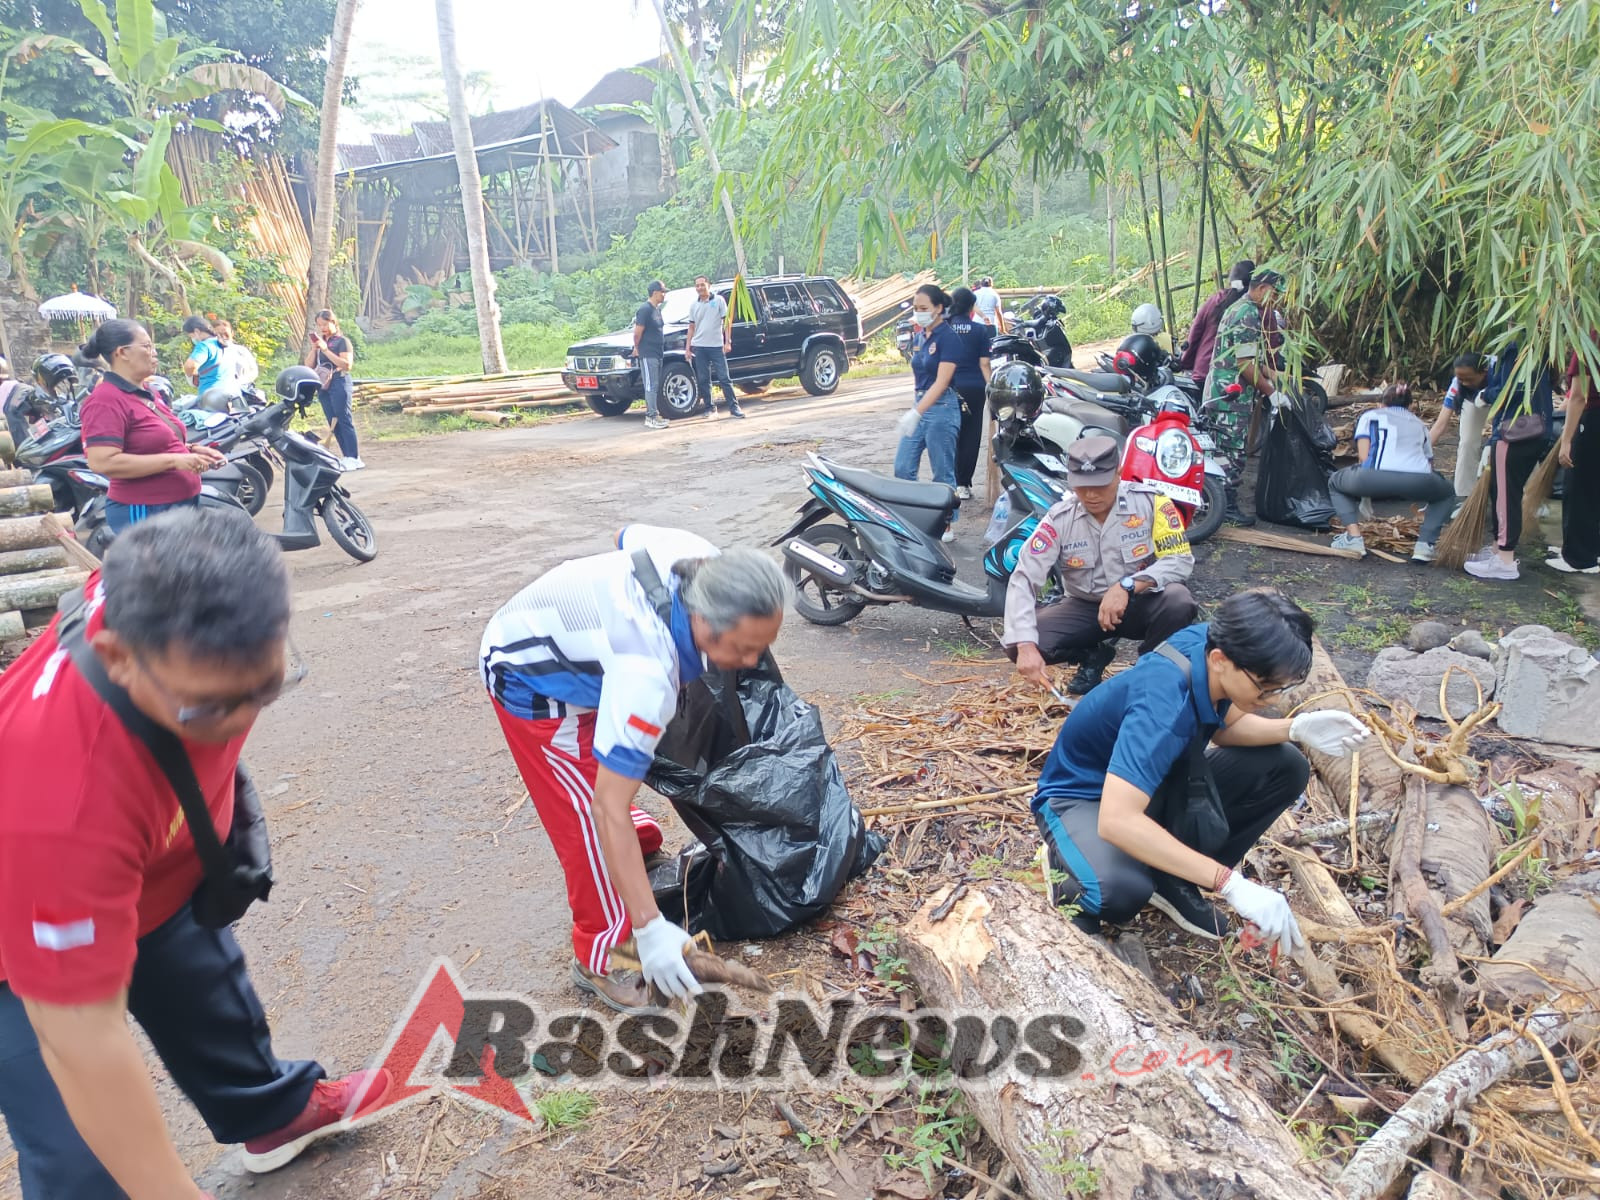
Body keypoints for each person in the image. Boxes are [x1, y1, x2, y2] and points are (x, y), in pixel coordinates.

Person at [0, 508, 392, 1197]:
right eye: (208, 707)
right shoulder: (61, 801)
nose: (240, 720)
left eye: (265, 688)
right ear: (118, 658)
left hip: (154, 860)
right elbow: (80, 1039)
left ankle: (273, 1116)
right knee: (87, 1157)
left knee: (206, 987)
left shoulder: (164, 586)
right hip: (20, 921)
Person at [480, 525, 788, 1013]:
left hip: (585, 650)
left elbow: (625, 535)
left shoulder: (701, 559)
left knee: (614, 772)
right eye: (743, 648)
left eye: (762, 646)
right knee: (585, 813)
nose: (751, 661)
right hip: (529, 674)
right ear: (704, 621)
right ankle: (602, 956)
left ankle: (635, 853)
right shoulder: (647, 676)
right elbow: (607, 808)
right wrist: (649, 929)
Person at [1032, 588, 1369, 943]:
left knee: (1285, 766)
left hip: (1156, 779)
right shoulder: (1161, 707)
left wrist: (1296, 728)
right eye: (1265, 689)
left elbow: (1227, 728)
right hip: (1083, 797)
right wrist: (1228, 883)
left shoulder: (1213, 644)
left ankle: (1173, 877)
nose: (1271, 700)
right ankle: (1069, 874)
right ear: (1221, 660)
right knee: (1119, 892)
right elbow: (1117, 820)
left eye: (1280, 689)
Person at [1004, 435, 1198, 696]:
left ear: (1118, 473)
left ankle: (1149, 672)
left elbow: (1180, 559)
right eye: (1082, 487)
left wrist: (1128, 586)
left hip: (1142, 601)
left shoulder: (1152, 503)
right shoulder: (1060, 518)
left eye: (1100, 485)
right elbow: (1024, 578)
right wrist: (1026, 646)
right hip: (1085, 607)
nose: (1091, 495)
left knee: (1178, 601)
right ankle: (1092, 655)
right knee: (1018, 642)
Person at [80, 320, 224, 534]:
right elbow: (102, 461)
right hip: (146, 510)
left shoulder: (147, 392)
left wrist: (192, 451)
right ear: (122, 352)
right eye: (147, 346)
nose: (154, 352)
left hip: (178, 505)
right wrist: (174, 460)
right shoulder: (106, 400)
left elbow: (152, 442)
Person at [1328, 383, 1459, 562]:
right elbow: (1429, 463)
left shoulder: (1370, 416)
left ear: (1381, 404)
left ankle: (1353, 538)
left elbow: (1364, 458)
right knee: (1447, 492)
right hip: (1419, 480)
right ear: (1410, 406)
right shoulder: (1419, 424)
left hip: (1373, 477)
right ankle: (1425, 545)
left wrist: (1365, 495)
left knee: (1335, 482)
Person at [1462, 344, 1554, 582]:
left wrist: (1485, 395)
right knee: (1503, 492)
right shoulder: (1536, 346)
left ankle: (1505, 559)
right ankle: (1497, 549)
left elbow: (1511, 390)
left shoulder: (1515, 348)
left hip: (1515, 433)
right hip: (1535, 429)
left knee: (1505, 496)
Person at [1203, 266, 1286, 527]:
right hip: (1230, 395)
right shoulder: (1247, 314)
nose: (1275, 301)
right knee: (1230, 452)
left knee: (1226, 448)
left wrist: (1274, 375)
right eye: (1274, 294)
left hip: (1226, 392)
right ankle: (1224, 507)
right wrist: (1271, 393)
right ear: (1261, 288)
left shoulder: (1240, 308)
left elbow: (1250, 358)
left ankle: (1218, 503)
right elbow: (1245, 364)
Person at [895, 284, 963, 542]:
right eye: (916, 308)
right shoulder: (921, 336)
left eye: (923, 308)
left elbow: (942, 381)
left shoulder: (949, 338)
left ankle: (945, 524)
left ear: (938, 308)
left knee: (942, 471)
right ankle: (915, 516)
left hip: (941, 408)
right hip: (920, 402)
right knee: (903, 467)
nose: (919, 312)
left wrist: (917, 412)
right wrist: (916, 409)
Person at [1549, 337, 1600, 574]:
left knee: (1580, 486)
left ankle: (1579, 558)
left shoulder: (1591, 341)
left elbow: (1579, 396)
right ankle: (1590, 549)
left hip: (1593, 419)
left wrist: (1566, 440)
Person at [944, 286, 993, 501]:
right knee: (971, 436)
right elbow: (984, 364)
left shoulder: (944, 328)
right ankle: (963, 484)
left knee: (950, 434)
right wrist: (992, 388)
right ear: (971, 307)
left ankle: (949, 481)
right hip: (974, 388)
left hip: (949, 387)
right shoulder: (980, 331)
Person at [1427, 353, 1497, 499]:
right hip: (1473, 399)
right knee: (1467, 443)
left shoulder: (1498, 372)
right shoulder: (1458, 384)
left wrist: (1492, 442)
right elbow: (1440, 424)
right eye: (1460, 379)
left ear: (1483, 372)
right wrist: (1423, 452)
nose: (1464, 383)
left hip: (1500, 394)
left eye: (1469, 379)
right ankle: (1463, 495)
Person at [1177, 260, 1253, 381]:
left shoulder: (1215, 301)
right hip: (1237, 379)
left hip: (1204, 372)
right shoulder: (1250, 307)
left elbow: (1195, 333)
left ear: (1230, 281)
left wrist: (1185, 363)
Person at [306, 309, 361, 470]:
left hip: (339, 381)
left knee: (344, 418)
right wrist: (314, 349)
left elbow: (346, 364)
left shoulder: (342, 341)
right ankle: (346, 456)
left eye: (325, 324)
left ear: (333, 322)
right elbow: (308, 365)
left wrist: (325, 350)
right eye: (319, 325)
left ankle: (354, 456)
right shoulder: (320, 342)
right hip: (324, 384)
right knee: (333, 421)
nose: (322, 328)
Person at [686, 275, 744, 421]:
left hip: (717, 346)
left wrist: (727, 341)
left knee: (724, 378)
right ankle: (710, 407)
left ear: (708, 285)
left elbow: (727, 321)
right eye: (697, 285)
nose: (700, 288)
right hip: (700, 347)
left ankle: (734, 407)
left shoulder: (718, 301)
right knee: (704, 379)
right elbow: (691, 327)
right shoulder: (694, 305)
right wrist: (688, 348)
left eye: (702, 285)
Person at [631, 280, 670, 429]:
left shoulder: (657, 309)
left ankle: (655, 414)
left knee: (655, 384)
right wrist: (637, 347)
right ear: (655, 293)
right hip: (648, 353)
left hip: (658, 353)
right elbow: (637, 332)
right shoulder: (645, 310)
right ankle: (651, 416)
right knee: (650, 385)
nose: (664, 294)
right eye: (662, 292)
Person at [181, 315, 225, 397]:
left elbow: (190, 366)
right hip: (231, 393)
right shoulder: (224, 343)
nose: (192, 339)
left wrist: (192, 376)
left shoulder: (204, 346)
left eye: (191, 336)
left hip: (211, 396)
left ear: (196, 331)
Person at [214, 320, 259, 388]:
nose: (223, 337)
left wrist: (239, 382)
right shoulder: (209, 352)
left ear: (232, 333)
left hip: (244, 389)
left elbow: (254, 371)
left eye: (226, 334)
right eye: (219, 335)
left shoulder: (242, 350)